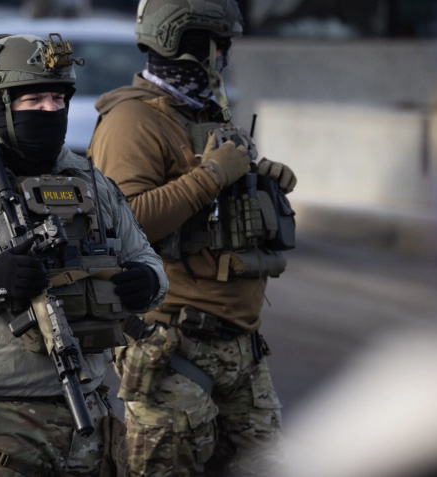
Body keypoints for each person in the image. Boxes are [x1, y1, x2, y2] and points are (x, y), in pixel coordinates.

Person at [89, 1, 297, 475]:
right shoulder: (132, 122)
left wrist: (259, 180)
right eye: (218, 43)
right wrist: (211, 177)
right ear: (189, 43)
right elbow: (127, 224)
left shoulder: (207, 114)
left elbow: (221, 211)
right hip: (174, 350)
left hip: (241, 350)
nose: (223, 55)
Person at [0, 33, 168, 477]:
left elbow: (147, 259)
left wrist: (146, 283)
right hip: (0, 417)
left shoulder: (90, 180)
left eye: (59, 99)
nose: (51, 112)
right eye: (35, 101)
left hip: (89, 413)